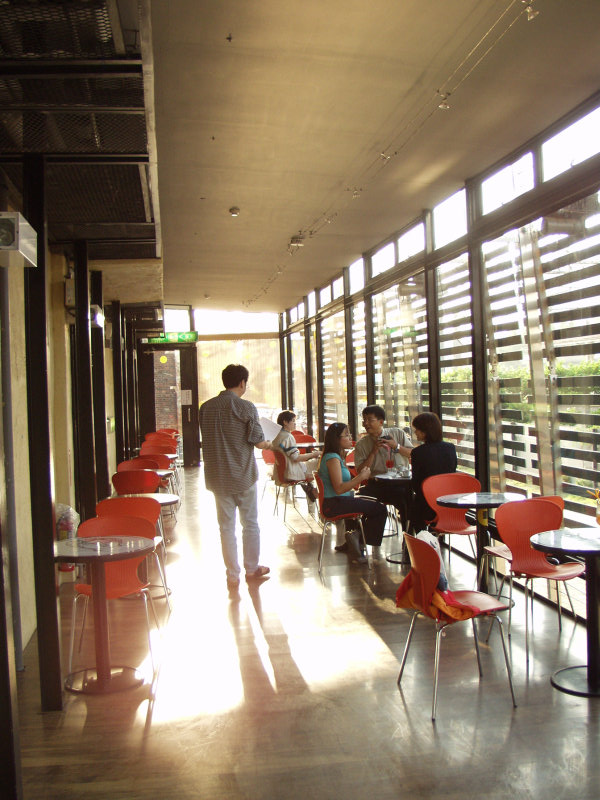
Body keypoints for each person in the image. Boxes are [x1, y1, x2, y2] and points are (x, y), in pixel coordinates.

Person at [199, 364, 273, 590]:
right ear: (242, 382)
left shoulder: (206, 408)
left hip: (218, 476)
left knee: (226, 528)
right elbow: (259, 442)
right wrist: (270, 442)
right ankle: (252, 568)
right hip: (243, 475)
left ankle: (232, 575)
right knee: (249, 524)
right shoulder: (246, 407)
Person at [318, 422, 387, 562]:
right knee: (380, 509)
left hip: (339, 500)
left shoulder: (336, 457)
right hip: (334, 504)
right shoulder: (332, 458)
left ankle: (354, 539)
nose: (350, 438)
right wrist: (360, 477)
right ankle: (358, 541)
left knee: (371, 502)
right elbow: (339, 489)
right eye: (347, 435)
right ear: (337, 439)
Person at [353, 405, 413, 527]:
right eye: (364, 420)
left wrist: (396, 446)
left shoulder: (397, 433)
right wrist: (373, 452)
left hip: (400, 483)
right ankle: (361, 535)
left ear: (381, 422)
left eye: (370, 420)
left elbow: (412, 454)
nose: (365, 423)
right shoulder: (361, 444)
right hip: (377, 485)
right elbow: (360, 471)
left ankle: (408, 533)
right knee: (360, 500)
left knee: (410, 500)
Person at [409, 411, 457, 533]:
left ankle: (418, 538)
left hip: (428, 506)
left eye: (417, 429)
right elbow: (452, 473)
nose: (415, 432)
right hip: (450, 505)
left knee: (410, 504)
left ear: (425, 431)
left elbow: (416, 484)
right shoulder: (450, 448)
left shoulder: (418, 452)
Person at [271, 410, 319, 502]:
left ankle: (311, 490)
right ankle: (315, 493)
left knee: (312, 465)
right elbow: (296, 458)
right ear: (285, 422)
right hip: (291, 472)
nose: (295, 423)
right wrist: (314, 454)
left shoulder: (277, 436)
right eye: (293, 421)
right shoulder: (287, 437)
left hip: (282, 473)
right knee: (320, 464)